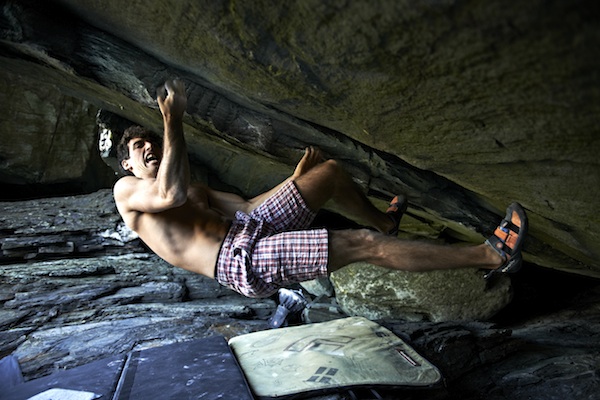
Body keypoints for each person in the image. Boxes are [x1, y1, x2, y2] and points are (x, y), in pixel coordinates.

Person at [114, 79, 528, 298]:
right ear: (127, 163)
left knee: (326, 173)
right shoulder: (128, 192)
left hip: (248, 226)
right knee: (362, 245)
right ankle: (491, 256)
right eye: (138, 145)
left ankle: (386, 223)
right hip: (241, 261)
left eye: (149, 139)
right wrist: (171, 121)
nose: (147, 145)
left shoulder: (194, 187)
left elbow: (245, 205)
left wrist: (293, 181)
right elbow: (167, 195)